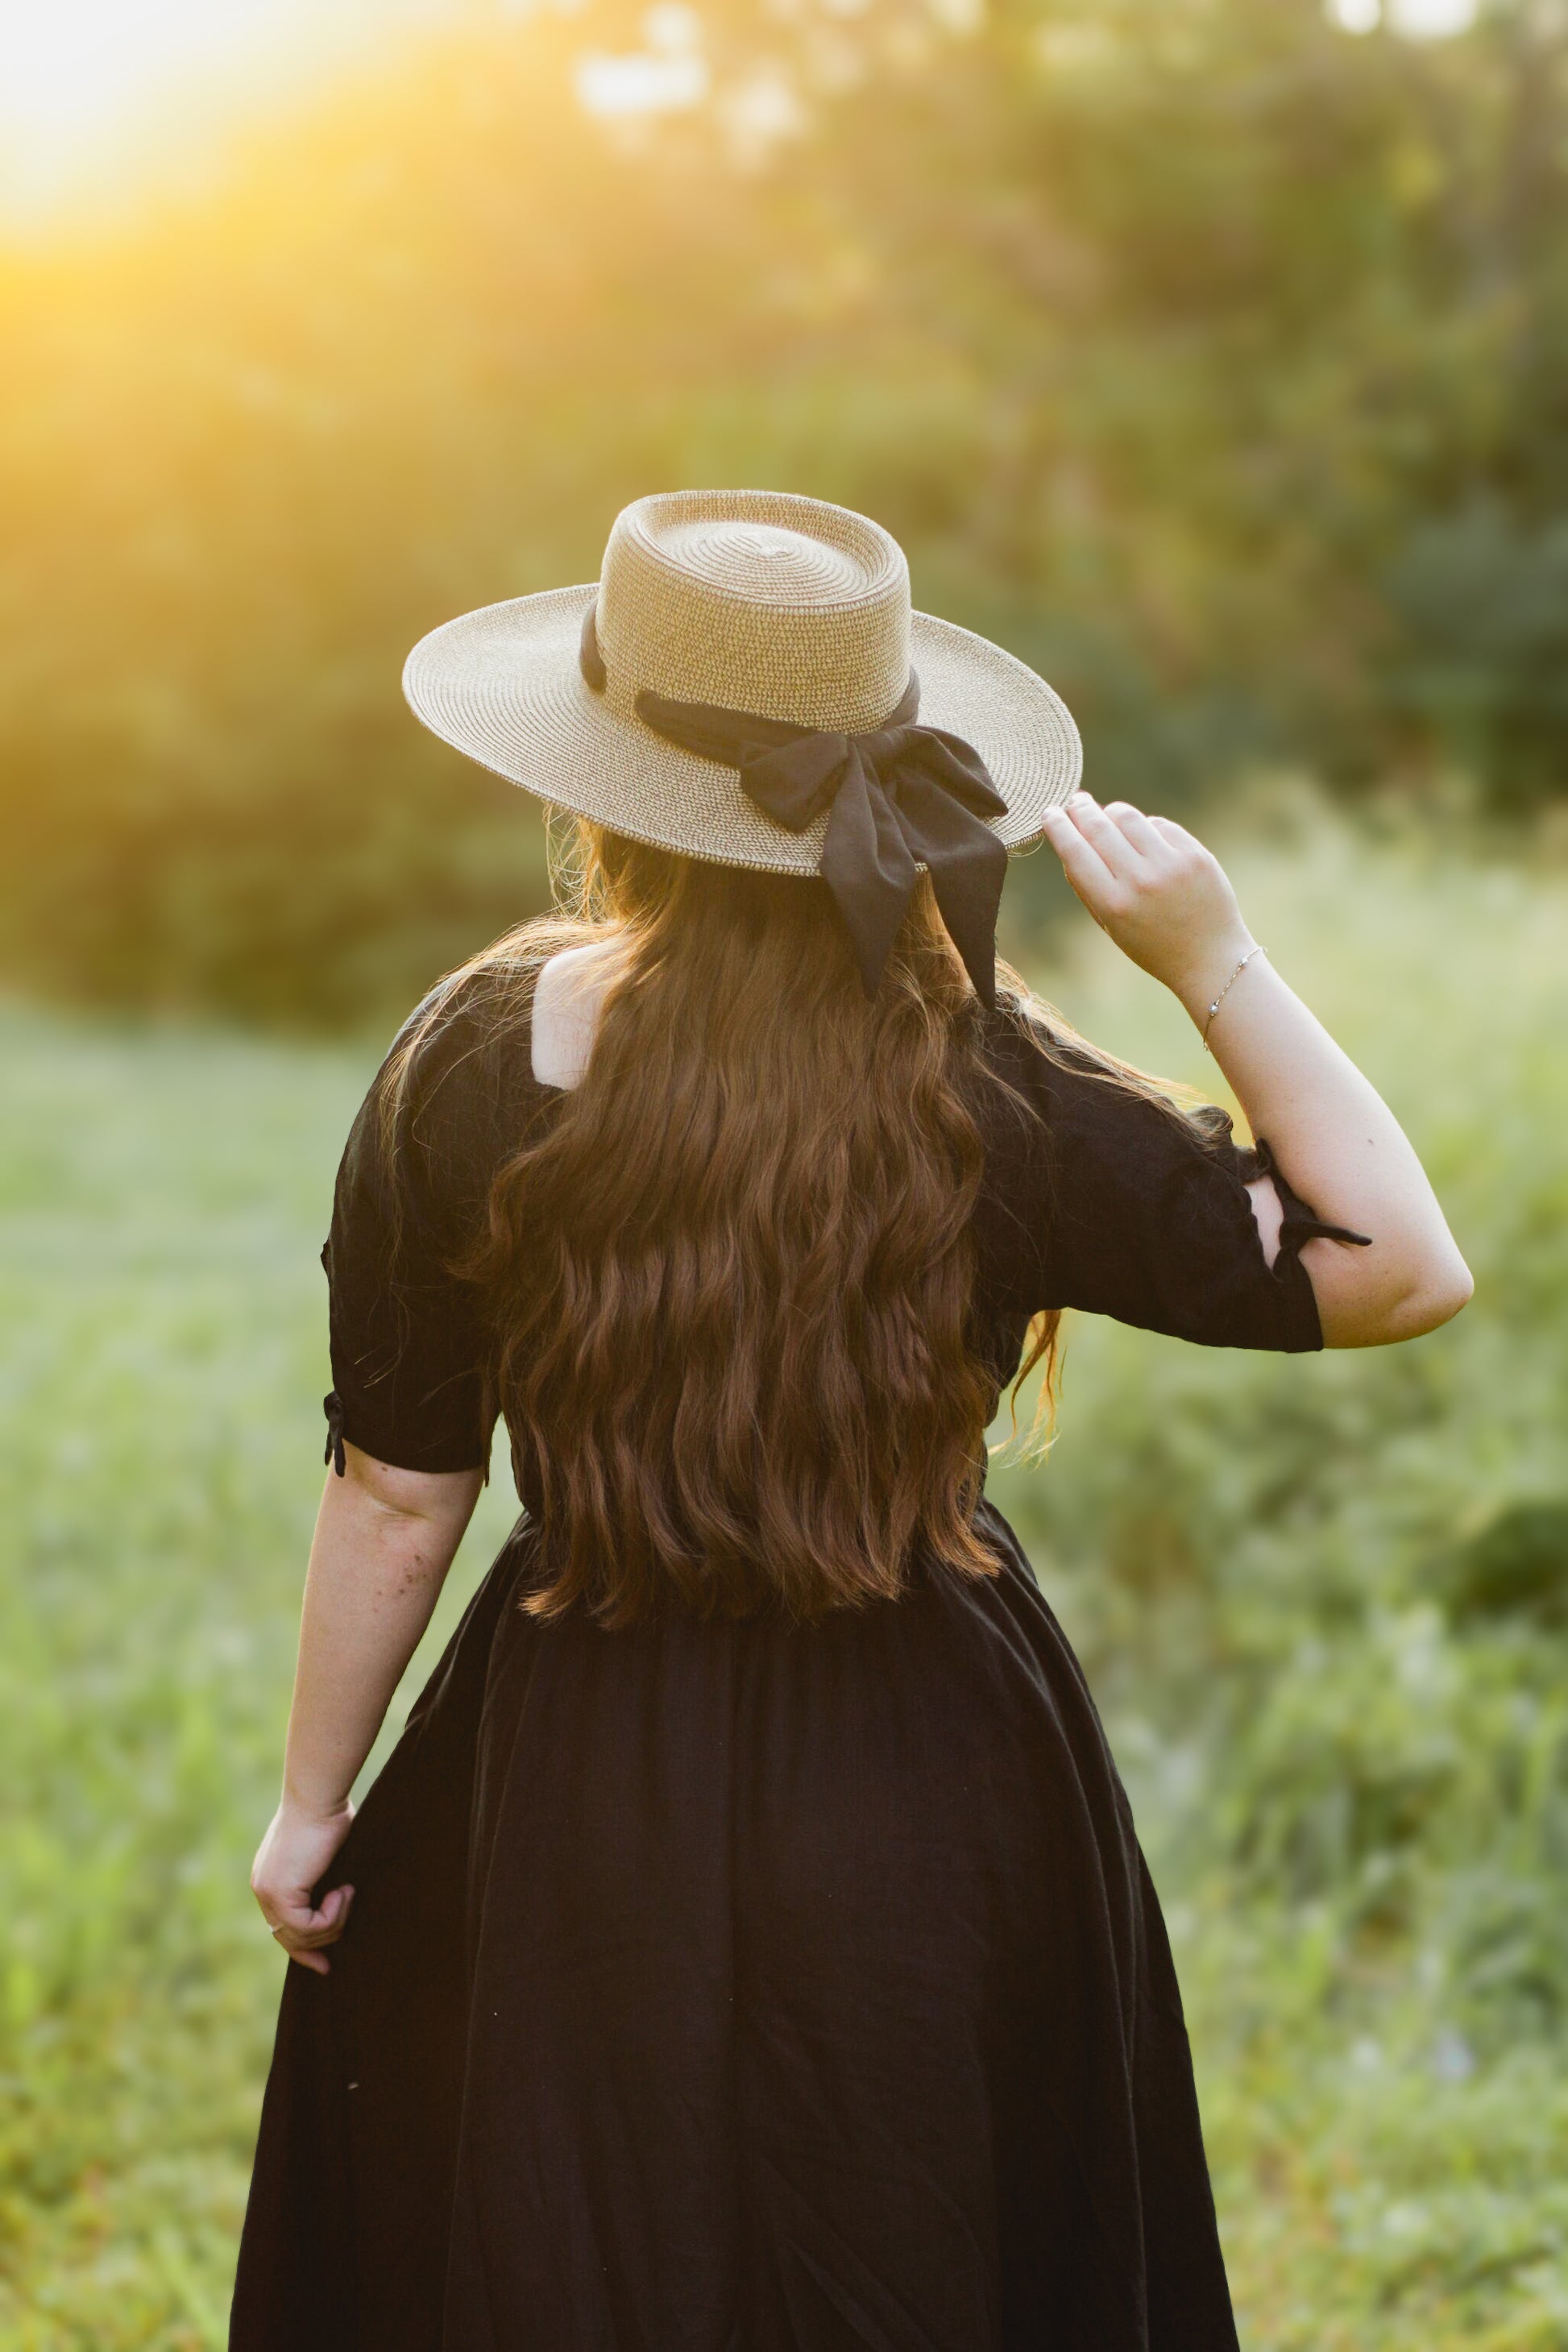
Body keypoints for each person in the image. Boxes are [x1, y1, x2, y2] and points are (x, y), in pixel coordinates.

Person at [233, 490, 1471, 2352]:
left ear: (596, 787)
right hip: (944, 1769)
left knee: (590, 2237)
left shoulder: (475, 1058)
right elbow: (1398, 1264)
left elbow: (402, 1494)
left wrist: (315, 1804)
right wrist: (1215, 960)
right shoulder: (982, 1072)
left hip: (581, 1743)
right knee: (916, 2238)